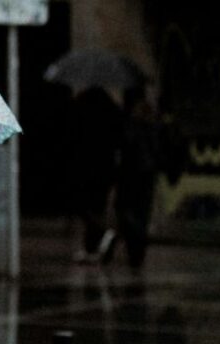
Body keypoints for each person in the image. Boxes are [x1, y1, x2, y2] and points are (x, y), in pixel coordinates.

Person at [65, 86, 124, 264]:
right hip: (105, 167)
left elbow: (72, 138)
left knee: (84, 206)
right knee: (97, 206)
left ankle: (99, 238)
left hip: (85, 165)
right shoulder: (113, 111)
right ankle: (92, 247)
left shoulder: (80, 108)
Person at [114, 87, 163, 268]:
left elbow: (126, 148)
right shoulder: (152, 125)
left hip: (133, 175)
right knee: (140, 213)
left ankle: (135, 248)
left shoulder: (132, 125)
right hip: (145, 174)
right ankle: (137, 250)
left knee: (130, 213)